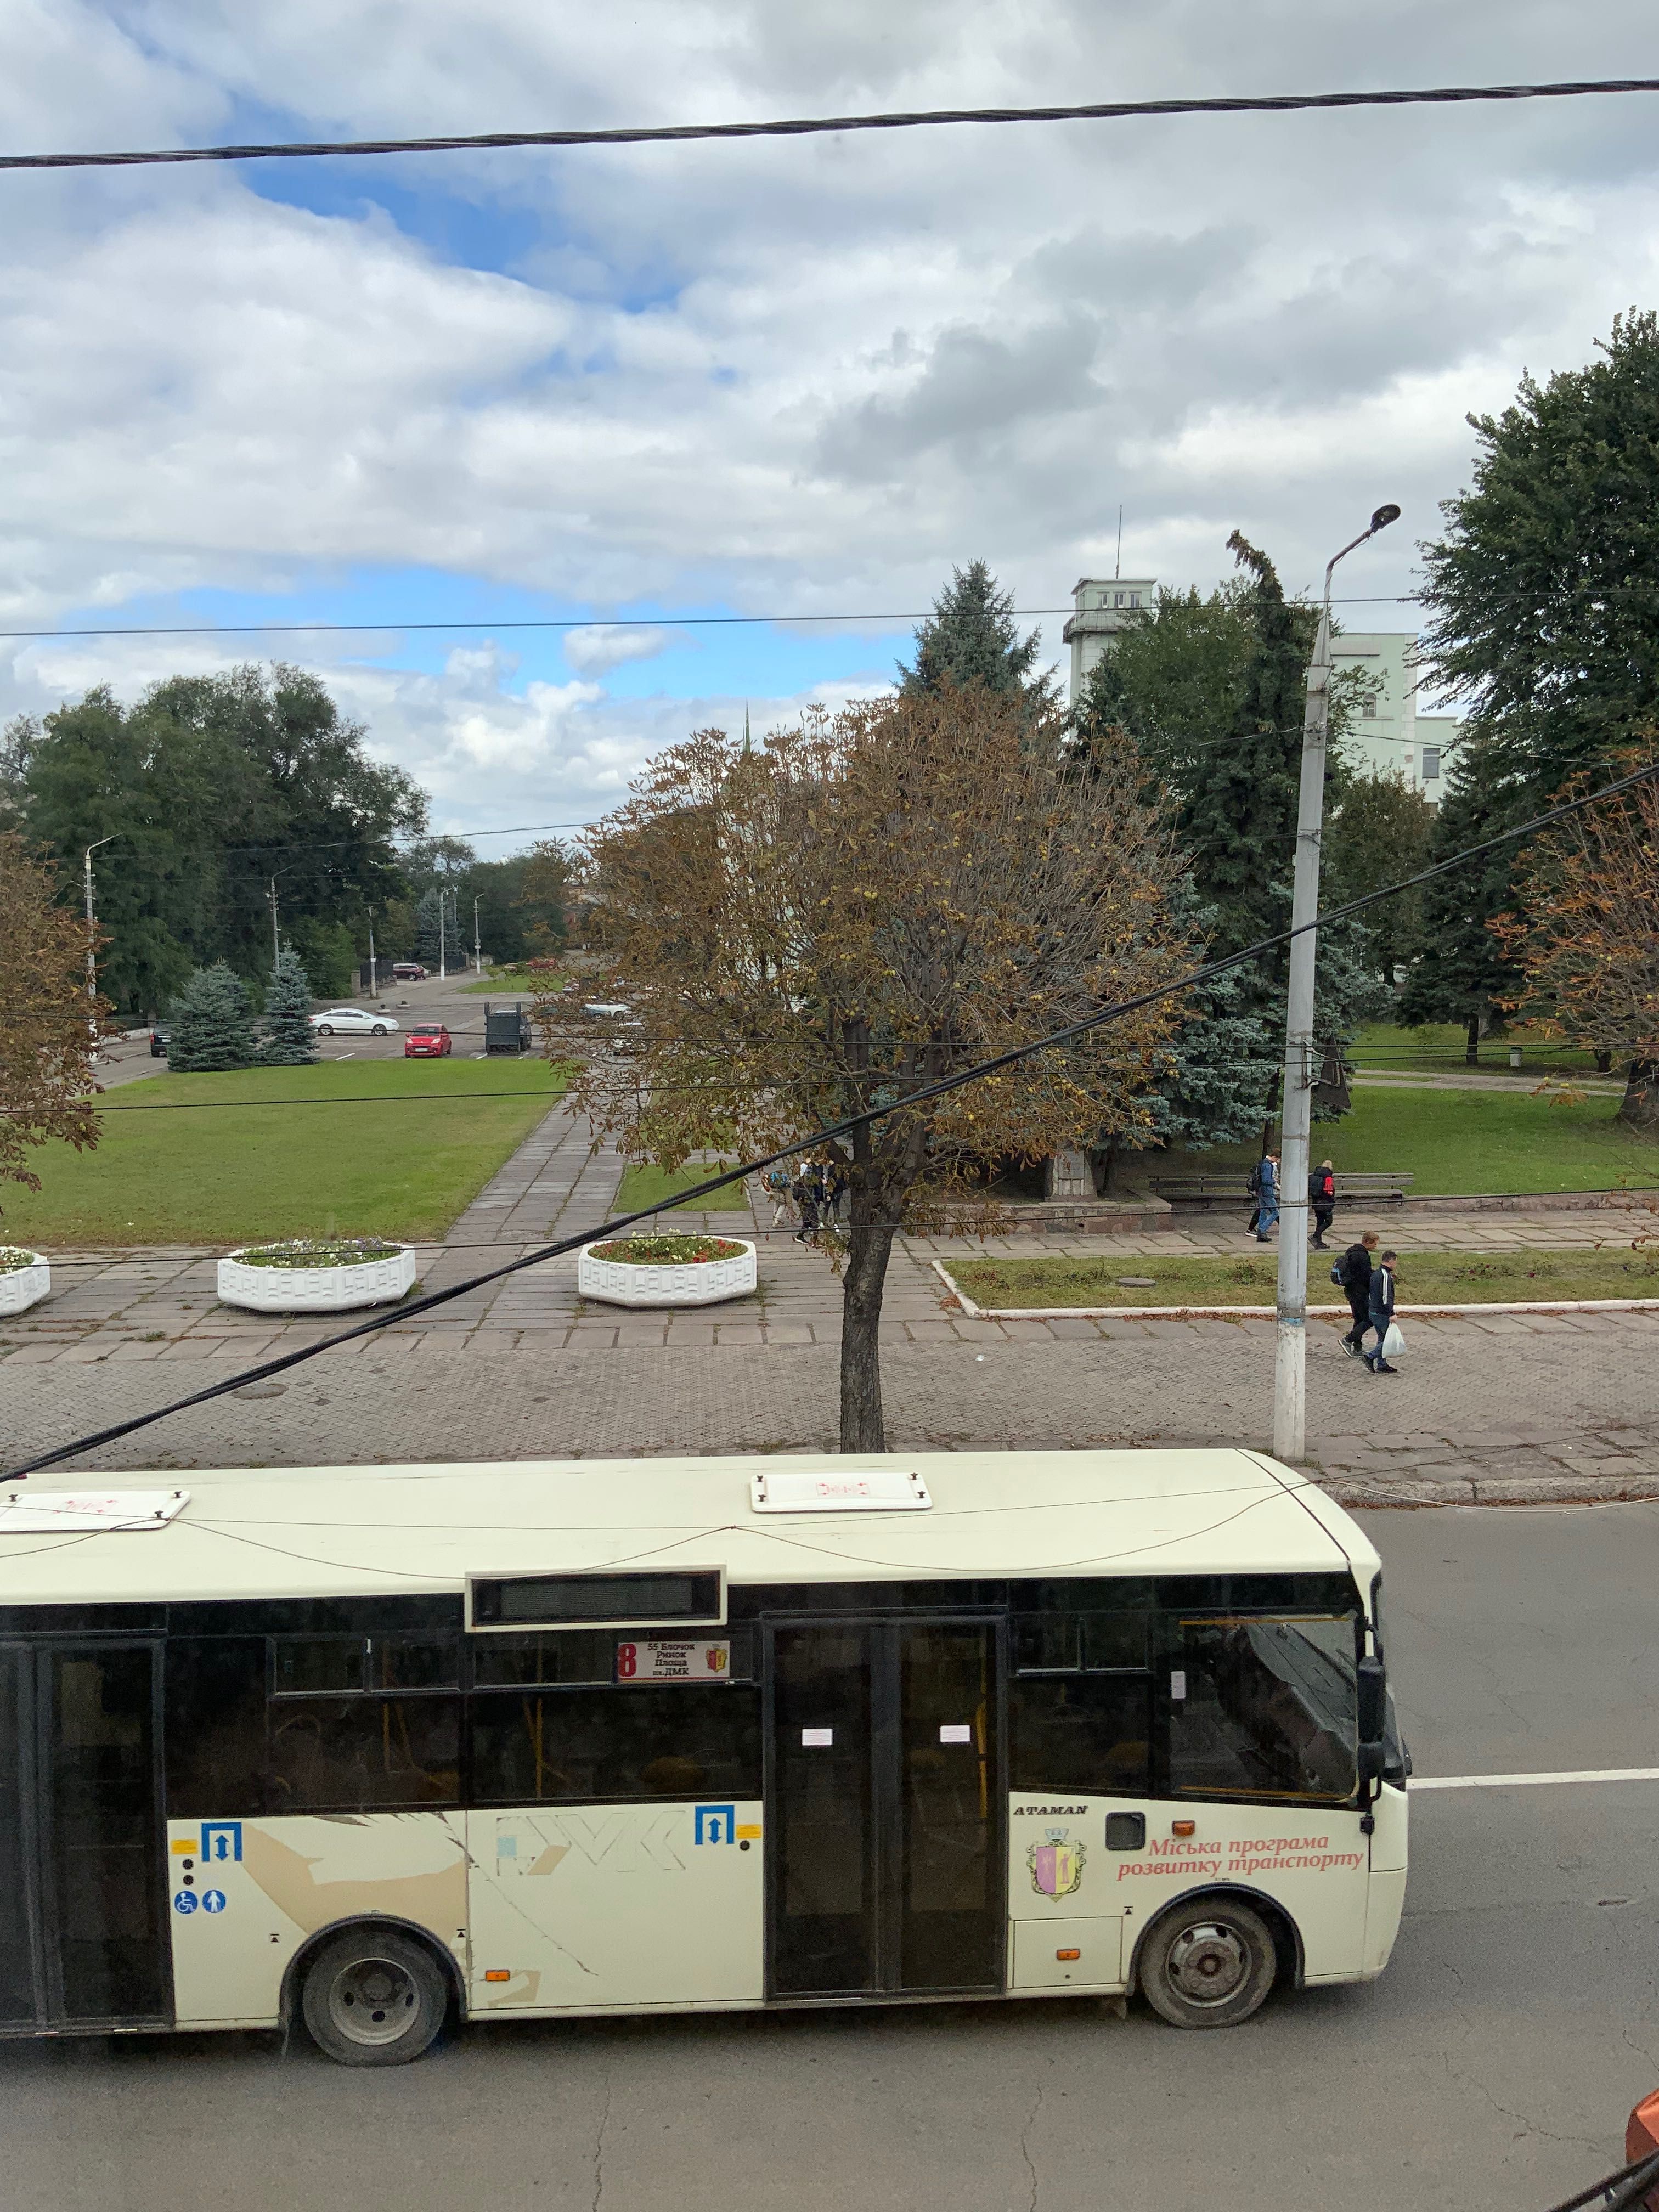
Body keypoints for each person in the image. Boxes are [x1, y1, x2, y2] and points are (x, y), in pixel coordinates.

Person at [1338, 1230, 1379, 1359]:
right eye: (1375, 1244)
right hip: (1359, 1292)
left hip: (1350, 1291)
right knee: (1369, 1319)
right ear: (1367, 1242)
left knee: (1359, 1319)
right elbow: (1365, 1276)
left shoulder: (1352, 1253)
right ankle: (1348, 1340)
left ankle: (1357, 1348)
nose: (1376, 1247)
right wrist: (1377, 1276)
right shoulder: (1363, 1256)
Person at [1365, 1248, 1400, 1374]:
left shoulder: (1376, 1274)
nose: (1396, 1265)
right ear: (1390, 1262)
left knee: (1382, 1338)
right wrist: (1391, 1313)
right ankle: (1370, 1356)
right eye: (1395, 1262)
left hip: (1374, 1310)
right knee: (1388, 1340)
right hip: (1381, 1313)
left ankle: (1382, 1364)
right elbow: (1386, 1297)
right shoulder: (1385, 1276)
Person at [1310, 1159, 1336, 1250]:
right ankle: (1316, 1236)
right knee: (1329, 1221)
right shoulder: (1328, 1177)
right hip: (1326, 1203)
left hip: (1316, 1202)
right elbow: (1328, 1191)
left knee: (1320, 1221)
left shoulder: (1315, 1175)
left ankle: (1319, 1243)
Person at [1254, 1150, 1280, 1242]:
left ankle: (1261, 1233)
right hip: (1267, 1192)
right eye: (1277, 1159)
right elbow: (1266, 1180)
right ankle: (1262, 1230)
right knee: (1275, 1212)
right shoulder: (1268, 1165)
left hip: (1261, 1191)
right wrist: (1274, 1182)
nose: (1277, 1161)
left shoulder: (1263, 1162)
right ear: (1274, 1157)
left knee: (1263, 1211)